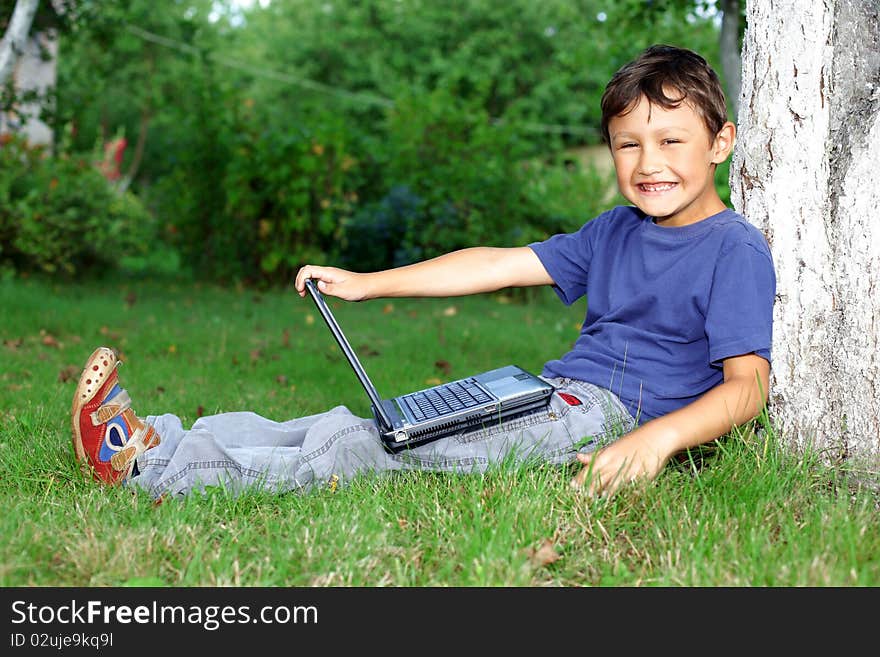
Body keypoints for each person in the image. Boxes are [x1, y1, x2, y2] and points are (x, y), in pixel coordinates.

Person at [71, 44, 775, 500]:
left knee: (372, 452)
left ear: (721, 142)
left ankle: (149, 474)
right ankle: (168, 438)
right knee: (373, 423)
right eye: (628, 144)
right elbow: (497, 263)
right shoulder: (615, 229)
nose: (648, 163)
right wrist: (370, 281)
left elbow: (748, 387)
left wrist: (654, 440)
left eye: (670, 140)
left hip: (601, 418)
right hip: (549, 394)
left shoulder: (732, 248)